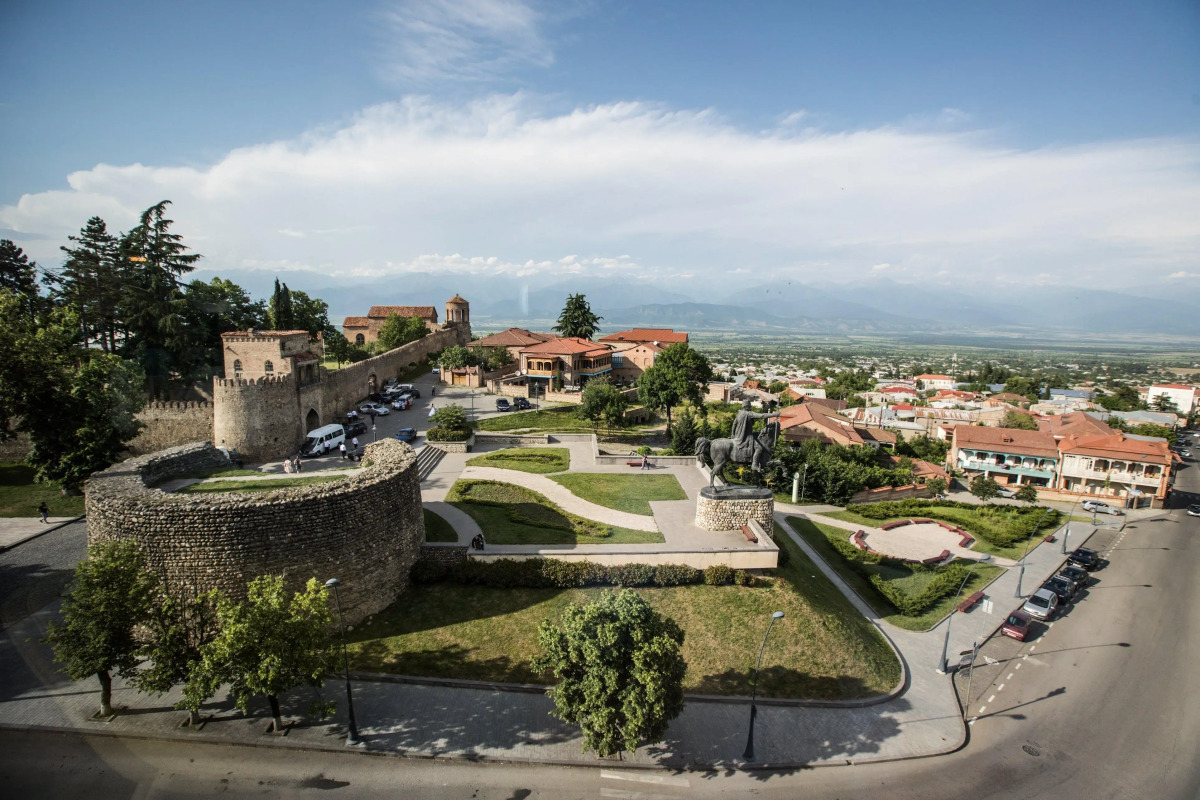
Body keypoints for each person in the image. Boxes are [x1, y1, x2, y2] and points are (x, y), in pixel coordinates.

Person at [730, 399, 781, 472]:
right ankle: (754, 464)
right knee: (759, 448)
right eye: (749, 406)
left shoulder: (739, 413)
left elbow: (734, 424)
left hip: (737, 435)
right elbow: (762, 415)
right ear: (747, 406)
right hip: (746, 436)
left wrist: (732, 434)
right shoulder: (749, 413)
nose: (750, 407)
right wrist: (774, 414)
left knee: (757, 434)